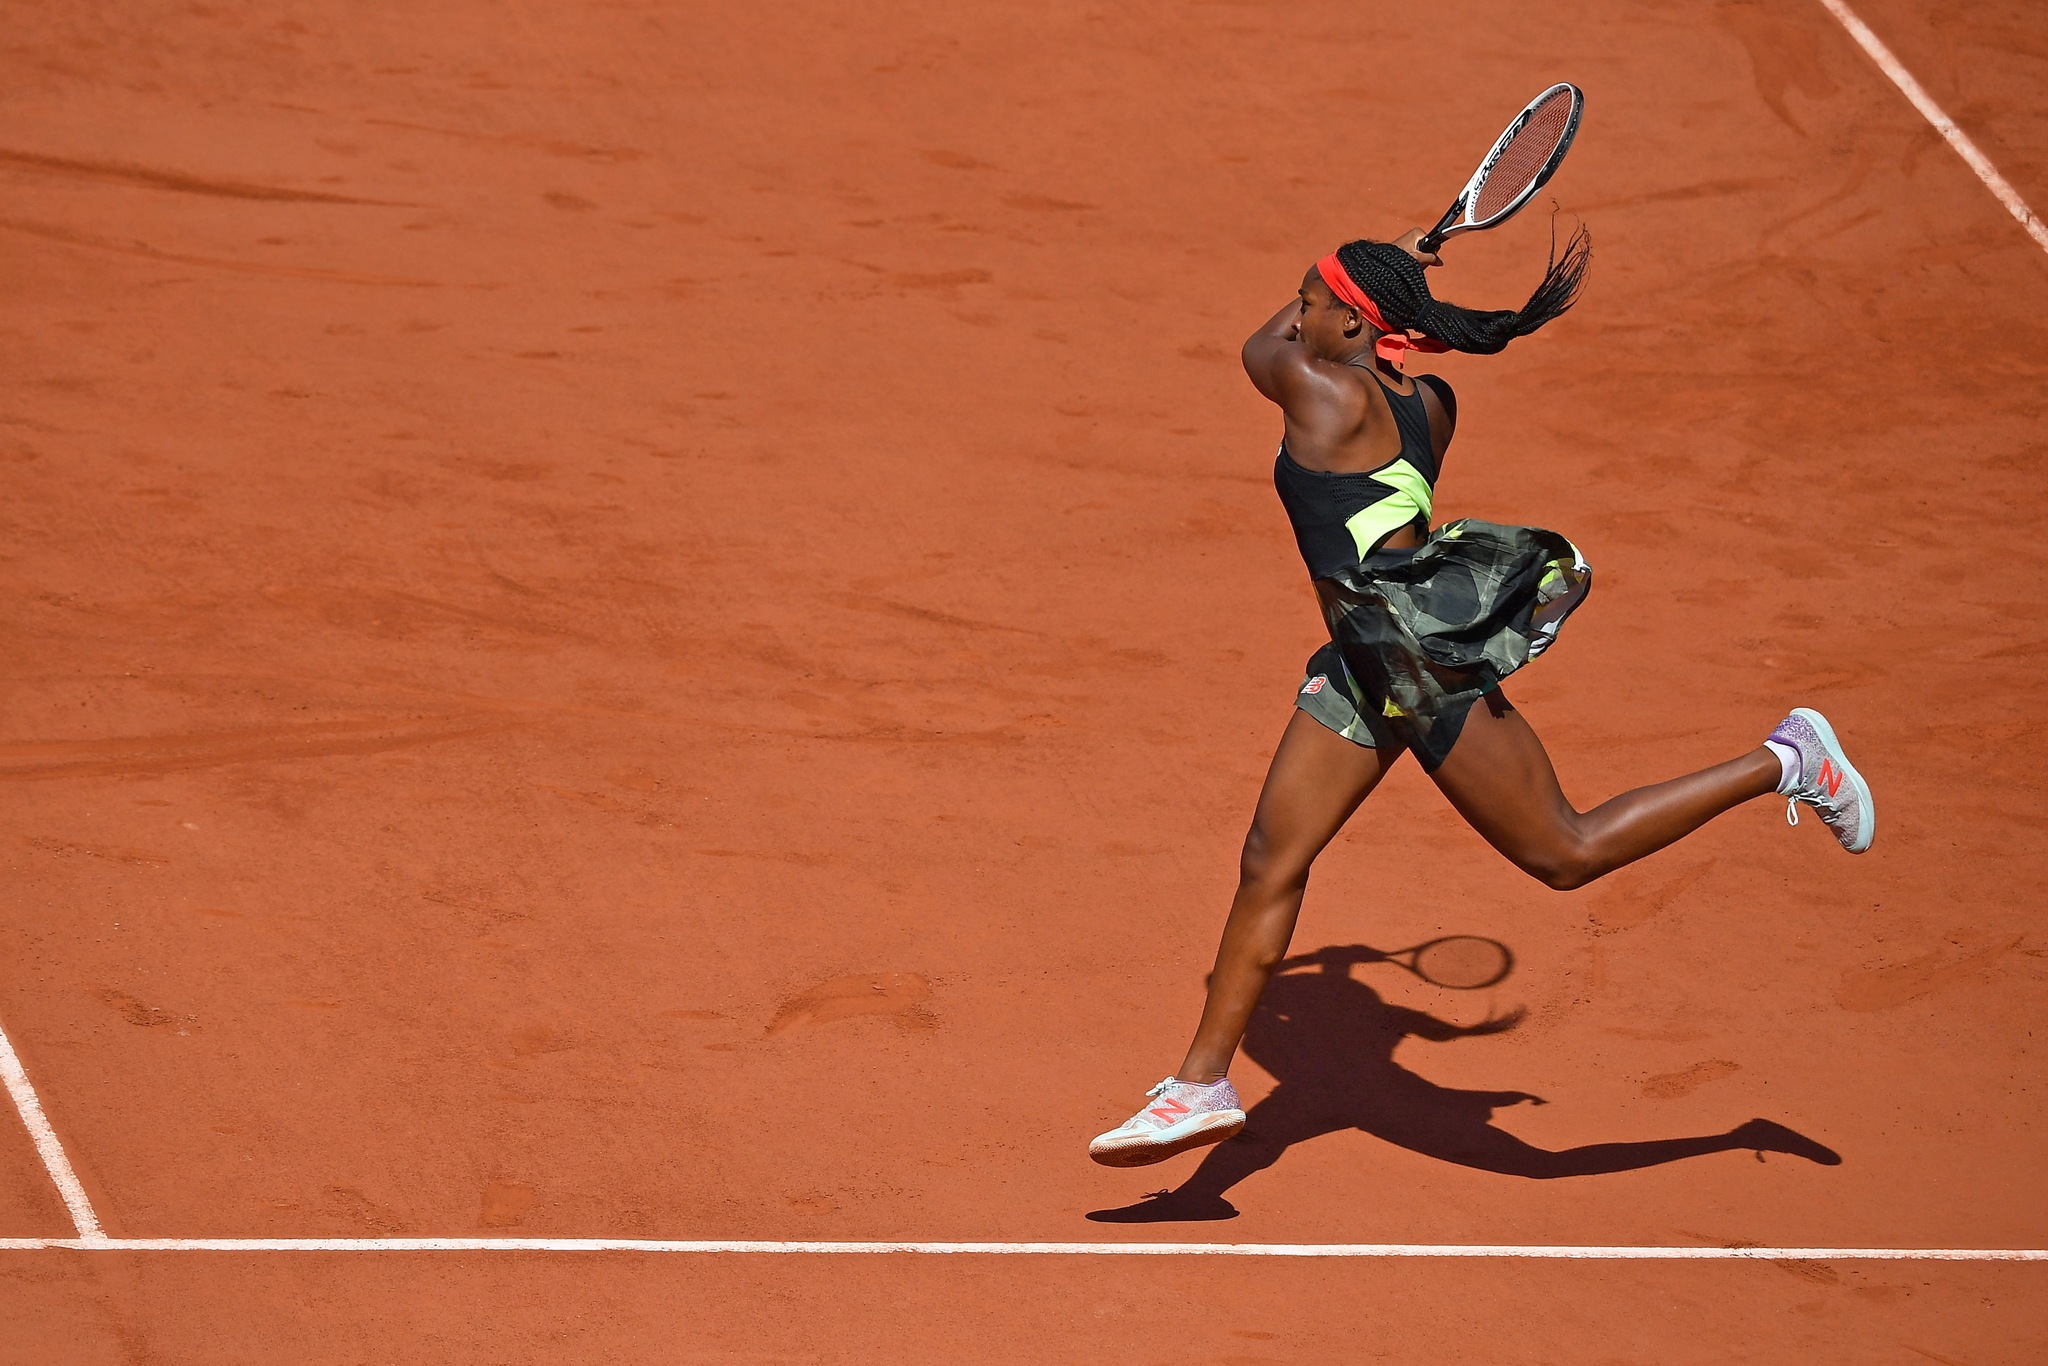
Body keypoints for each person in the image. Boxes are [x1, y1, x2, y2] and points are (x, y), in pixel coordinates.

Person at [1088, 226, 1874, 1168]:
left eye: (1311, 301)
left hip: (1422, 664)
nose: (1296, 315)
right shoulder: (1432, 403)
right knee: (1270, 858)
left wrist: (1385, 260)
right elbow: (1310, 334)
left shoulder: (1322, 392)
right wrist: (1369, 280)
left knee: (1566, 852)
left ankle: (1786, 758)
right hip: (1365, 659)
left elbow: (1260, 348)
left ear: (1351, 323)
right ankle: (1199, 1087)